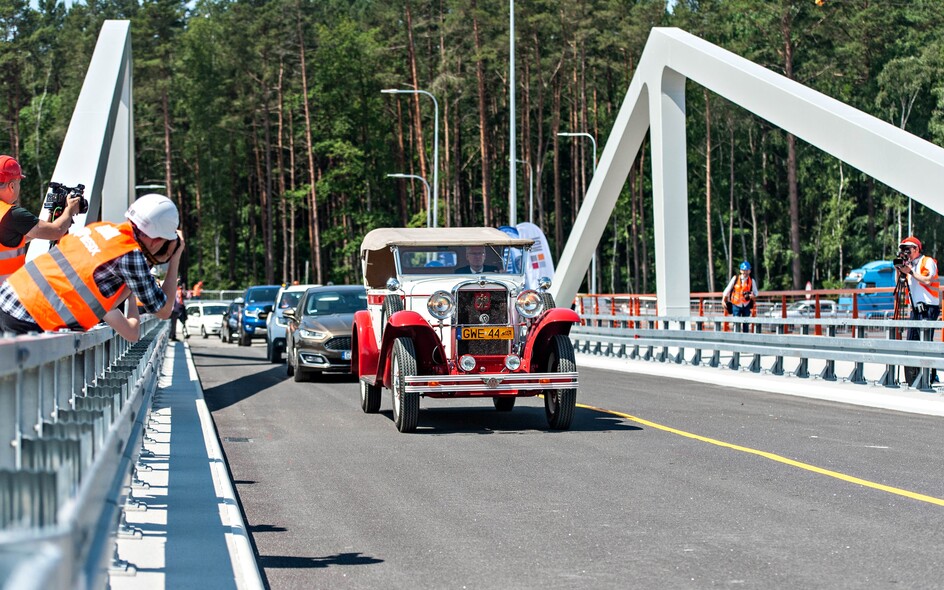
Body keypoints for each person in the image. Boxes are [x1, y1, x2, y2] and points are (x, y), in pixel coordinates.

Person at [0, 193, 184, 342]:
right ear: (157, 240)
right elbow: (164, 310)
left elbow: (104, 300)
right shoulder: (129, 255)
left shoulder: (100, 229)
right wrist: (175, 259)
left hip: (8, 297)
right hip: (29, 316)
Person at [0, 155, 83, 281]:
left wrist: (50, 219)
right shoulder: (12, 214)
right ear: (12, 186)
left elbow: (15, 238)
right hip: (6, 293)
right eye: (18, 183)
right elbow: (57, 231)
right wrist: (69, 210)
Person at [895, 236, 940, 384]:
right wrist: (900, 270)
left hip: (928, 308)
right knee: (911, 342)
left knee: (925, 342)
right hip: (915, 309)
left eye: (908, 249)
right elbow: (899, 284)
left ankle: (931, 375)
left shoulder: (927, 261)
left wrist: (910, 271)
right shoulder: (909, 265)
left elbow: (927, 280)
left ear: (916, 248)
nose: (905, 252)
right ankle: (912, 377)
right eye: (903, 249)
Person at [722, 261, 758, 332]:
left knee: (746, 323)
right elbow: (727, 290)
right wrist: (723, 300)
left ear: (750, 271)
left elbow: (756, 292)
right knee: (736, 323)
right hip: (736, 304)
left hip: (746, 305)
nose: (745, 272)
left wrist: (752, 296)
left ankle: (745, 339)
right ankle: (736, 338)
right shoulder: (735, 279)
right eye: (744, 270)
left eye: (747, 270)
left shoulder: (752, 281)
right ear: (741, 270)